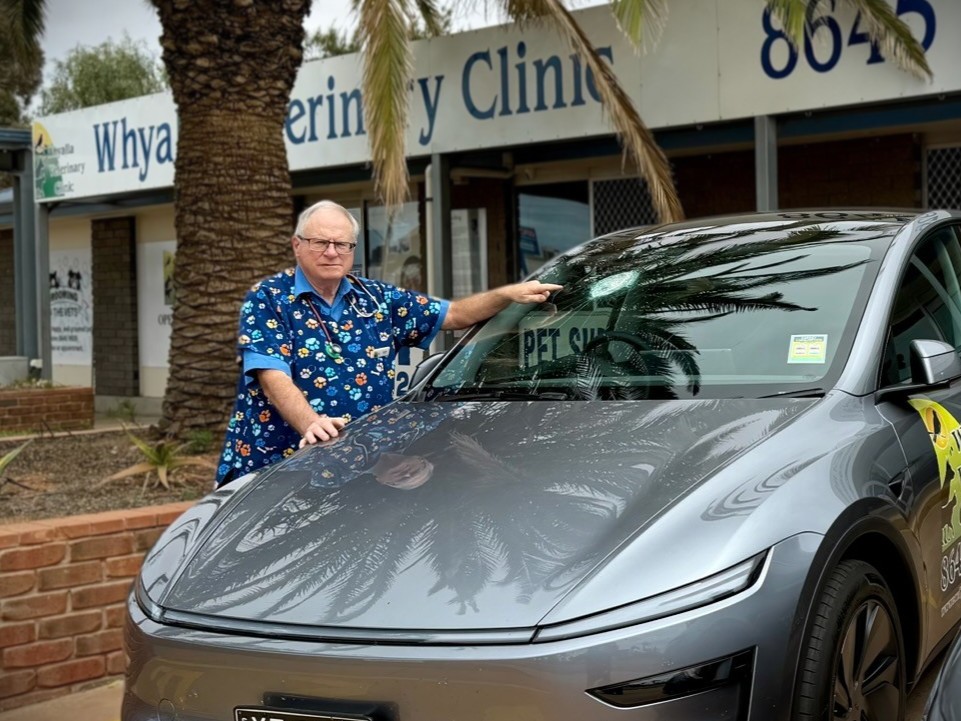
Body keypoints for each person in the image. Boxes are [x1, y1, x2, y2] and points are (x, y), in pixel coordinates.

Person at [215, 200, 562, 486]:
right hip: (280, 469)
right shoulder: (269, 298)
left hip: (362, 470)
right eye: (321, 243)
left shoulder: (377, 298)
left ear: (352, 250)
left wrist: (509, 294)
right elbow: (271, 374)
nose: (332, 252)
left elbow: (453, 314)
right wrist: (311, 423)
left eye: (342, 244)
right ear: (297, 245)